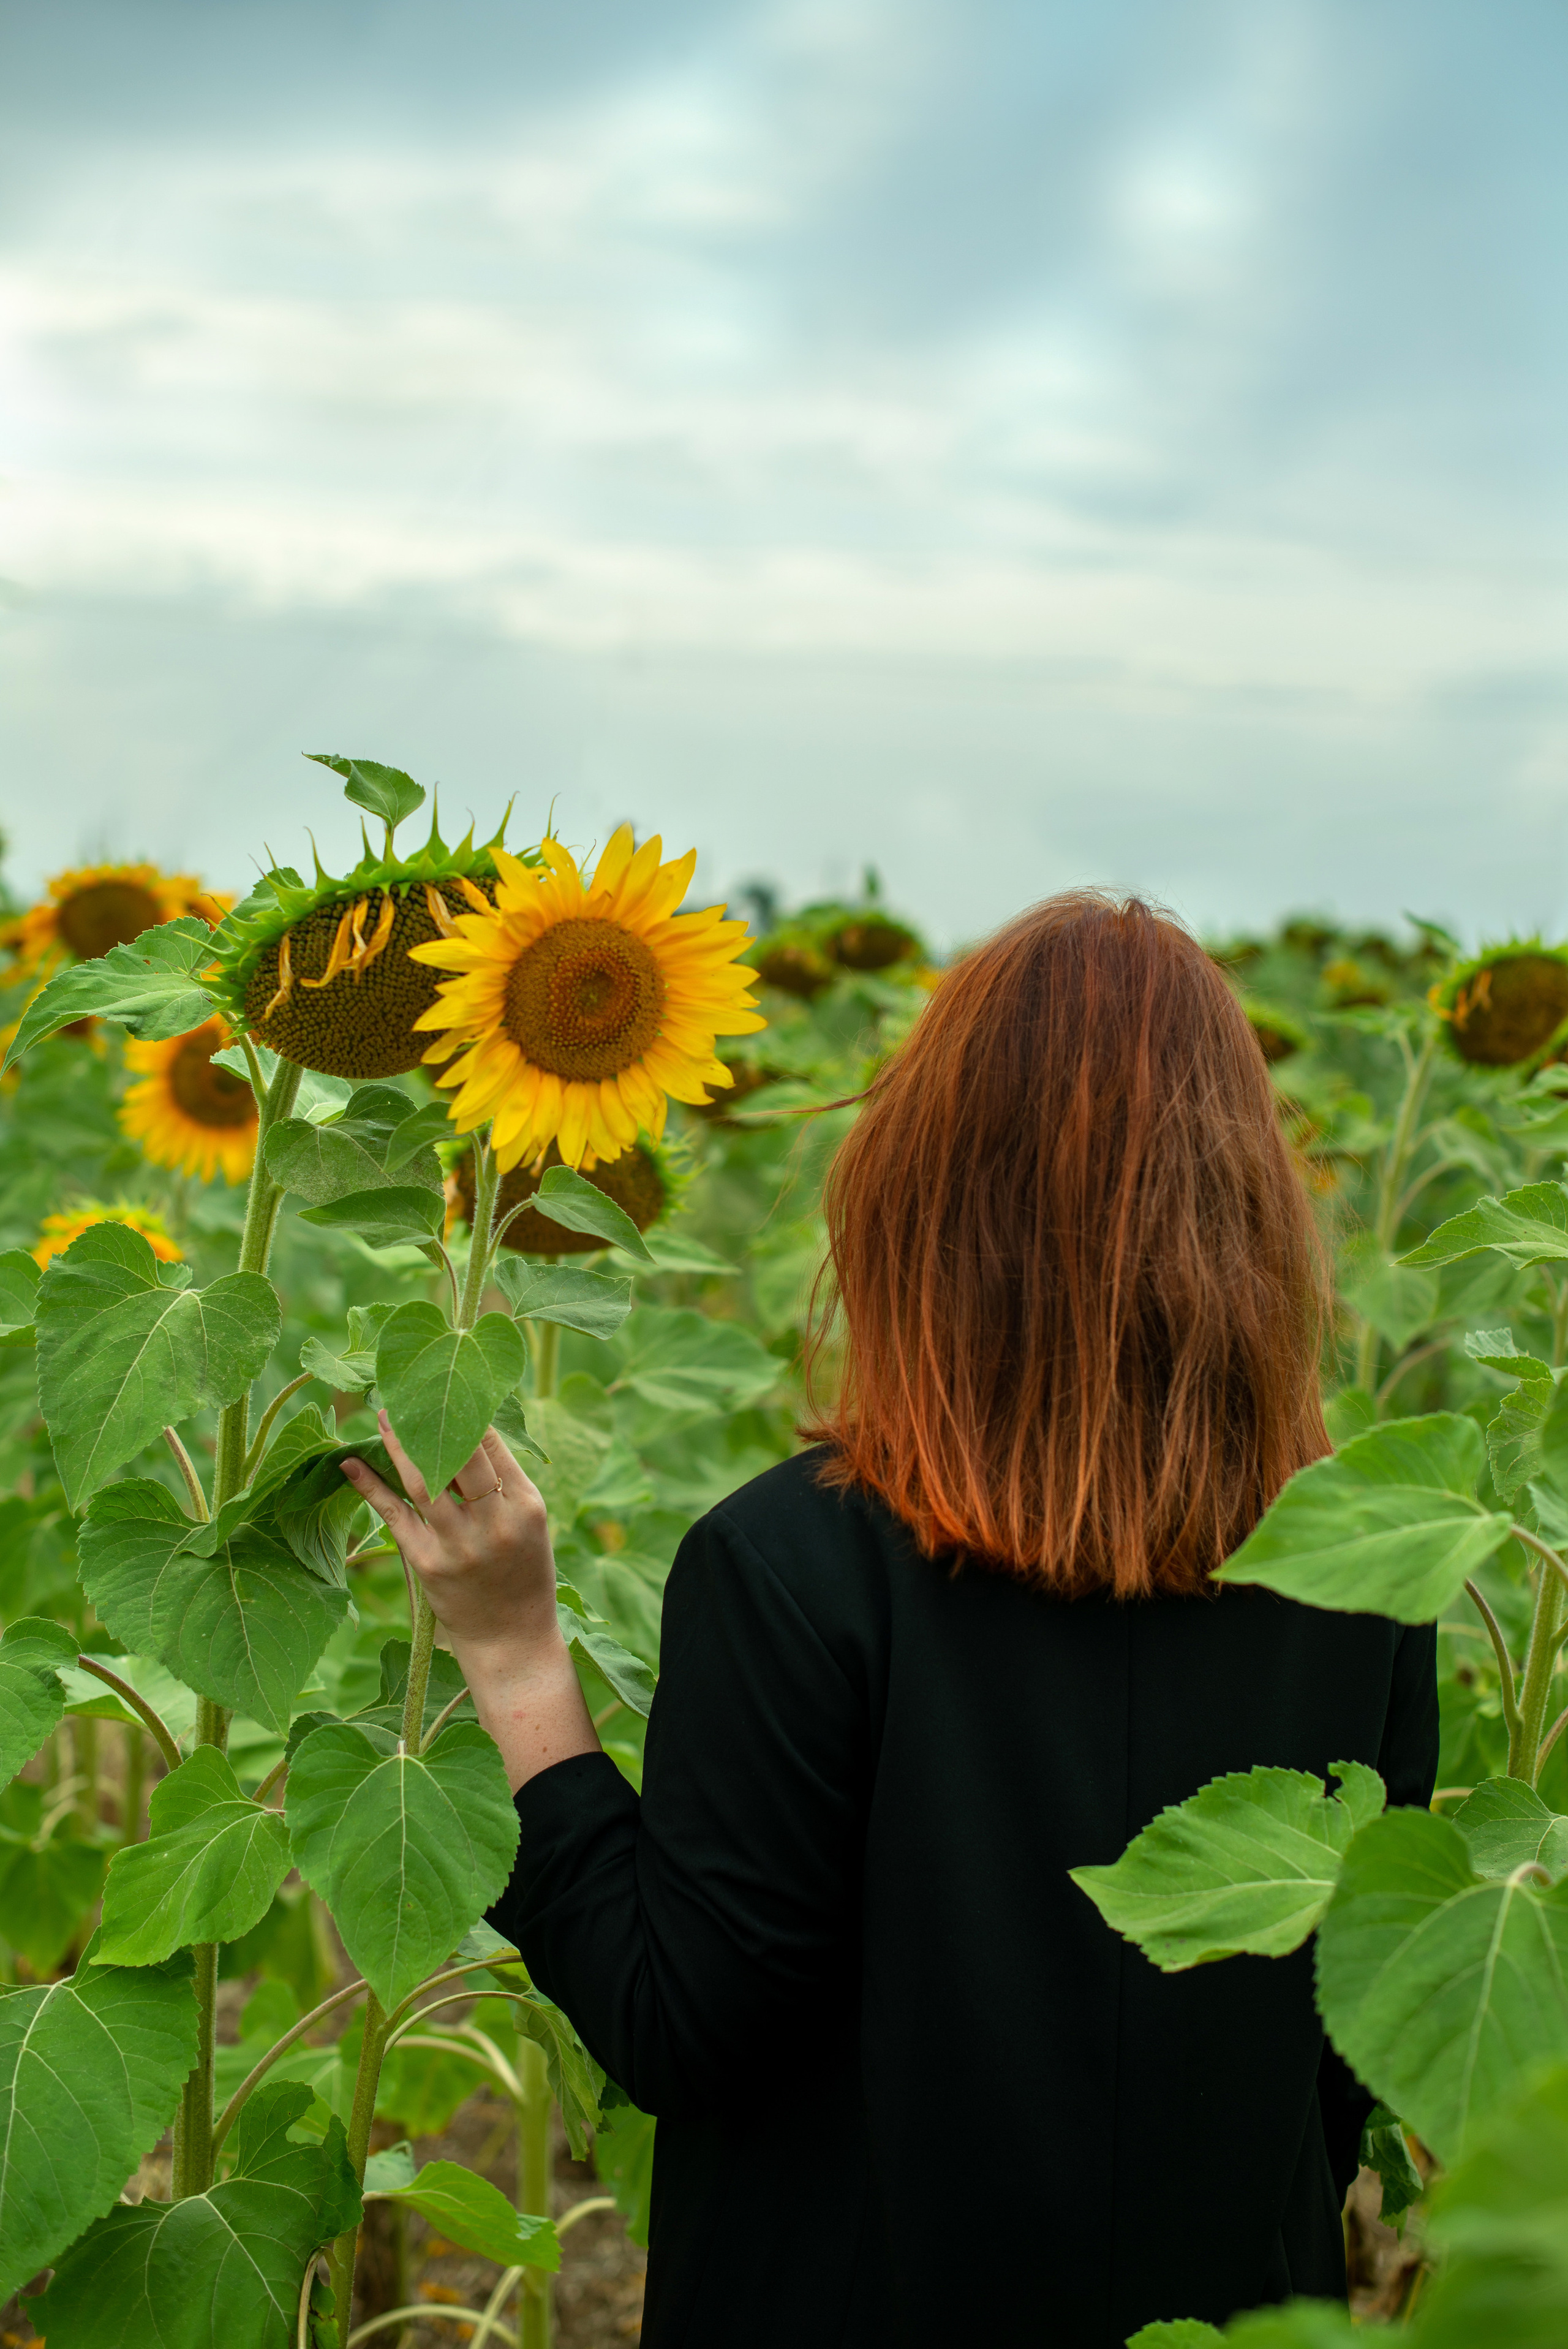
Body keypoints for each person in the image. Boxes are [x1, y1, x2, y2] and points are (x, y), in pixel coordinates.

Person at [342, 891, 1438, 2349]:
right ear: (1247, 1219)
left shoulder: (794, 1564)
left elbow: (680, 2025)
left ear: (919, 1194)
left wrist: (513, 1656)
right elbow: (1346, 2036)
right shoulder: (1361, 1569)